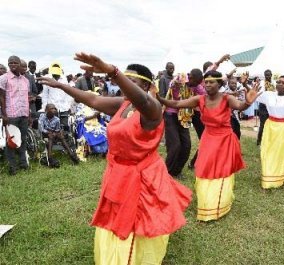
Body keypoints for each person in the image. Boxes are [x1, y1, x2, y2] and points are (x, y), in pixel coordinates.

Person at [38, 52, 192, 264]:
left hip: (141, 176)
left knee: (136, 222)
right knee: (116, 216)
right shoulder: (124, 103)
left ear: (146, 87)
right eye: (124, 81)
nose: (124, 86)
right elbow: (93, 99)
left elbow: (143, 101)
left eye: (132, 82)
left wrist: (113, 71)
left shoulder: (152, 108)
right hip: (118, 172)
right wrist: (61, 86)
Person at [158, 70, 260, 221]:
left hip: (224, 140)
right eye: (206, 82)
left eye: (211, 82)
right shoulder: (200, 99)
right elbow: (177, 103)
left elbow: (240, 106)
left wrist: (247, 103)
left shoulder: (227, 98)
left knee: (221, 171)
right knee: (203, 168)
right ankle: (206, 200)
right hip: (208, 138)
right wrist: (158, 98)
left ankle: (218, 204)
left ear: (219, 84)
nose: (207, 84)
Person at [0, 55, 30, 175]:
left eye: (15, 63)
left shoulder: (25, 80)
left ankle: (23, 163)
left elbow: (27, 98)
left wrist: (29, 115)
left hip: (24, 113)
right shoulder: (3, 78)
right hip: (11, 114)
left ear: (20, 65)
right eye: (10, 63)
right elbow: (1, 97)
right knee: (11, 141)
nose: (12, 65)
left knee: (22, 139)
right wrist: (4, 114)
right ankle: (12, 166)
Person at [41, 62, 74, 130]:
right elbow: (45, 95)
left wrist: (68, 105)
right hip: (52, 107)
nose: (55, 75)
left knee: (64, 127)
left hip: (63, 107)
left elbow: (67, 93)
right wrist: (45, 106)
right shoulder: (48, 79)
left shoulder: (64, 79)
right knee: (52, 128)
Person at [256, 69, 275, 146]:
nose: (268, 76)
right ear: (264, 76)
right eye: (266, 75)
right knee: (263, 124)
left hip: (272, 105)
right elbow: (261, 94)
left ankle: (269, 140)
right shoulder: (261, 83)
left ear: (271, 74)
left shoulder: (274, 83)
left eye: (269, 74)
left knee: (271, 124)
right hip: (263, 106)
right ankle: (259, 140)